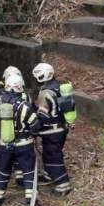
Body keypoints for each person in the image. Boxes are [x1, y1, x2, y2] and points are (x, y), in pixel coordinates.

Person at [0, 67, 40, 206]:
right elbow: (35, 125)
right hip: (24, 145)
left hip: (4, 145)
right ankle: (31, 200)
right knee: (28, 172)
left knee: (3, 170)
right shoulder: (24, 106)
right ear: (20, 88)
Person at [31, 61, 77, 196]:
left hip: (52, 131)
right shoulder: (59, 87)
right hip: (62, 128)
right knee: (51, 153)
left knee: (53, 157)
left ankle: (63, 187)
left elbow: (43, 116)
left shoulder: (45, 94)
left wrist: (33, 128)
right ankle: (48, 174)